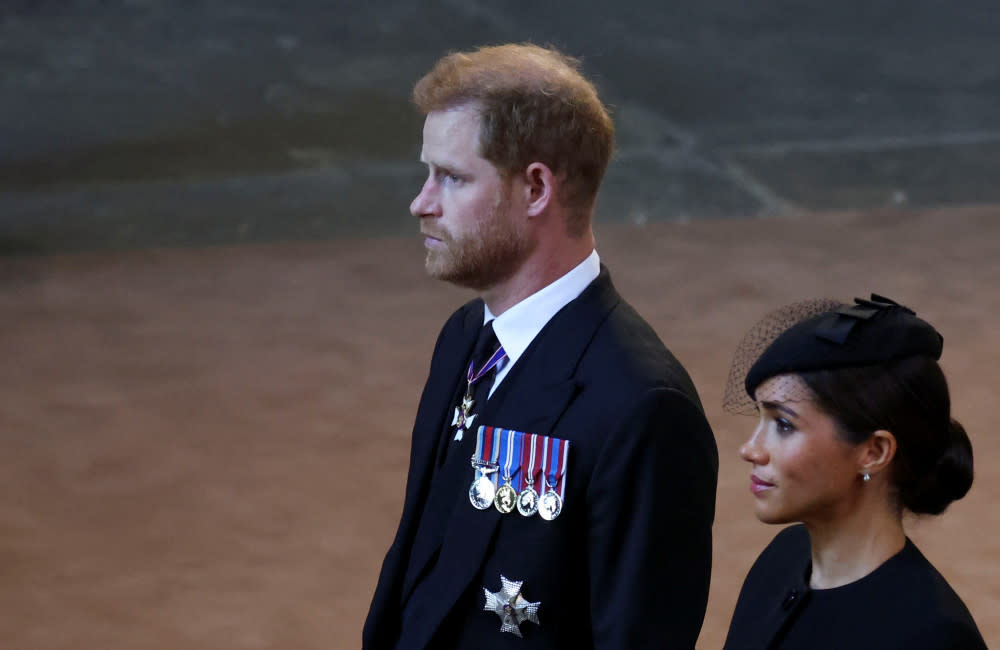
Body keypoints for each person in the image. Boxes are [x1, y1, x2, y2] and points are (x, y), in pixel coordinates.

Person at [362, 43, 718, 649]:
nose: (422, 202)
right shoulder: (464, 341)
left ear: (535, 189)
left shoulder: (642, 407)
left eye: (451, 177)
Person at [721, 294, 987, 650]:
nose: (750, 449)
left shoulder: (932, 636)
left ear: (873, 452)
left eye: (783, 425)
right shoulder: (781, 560)